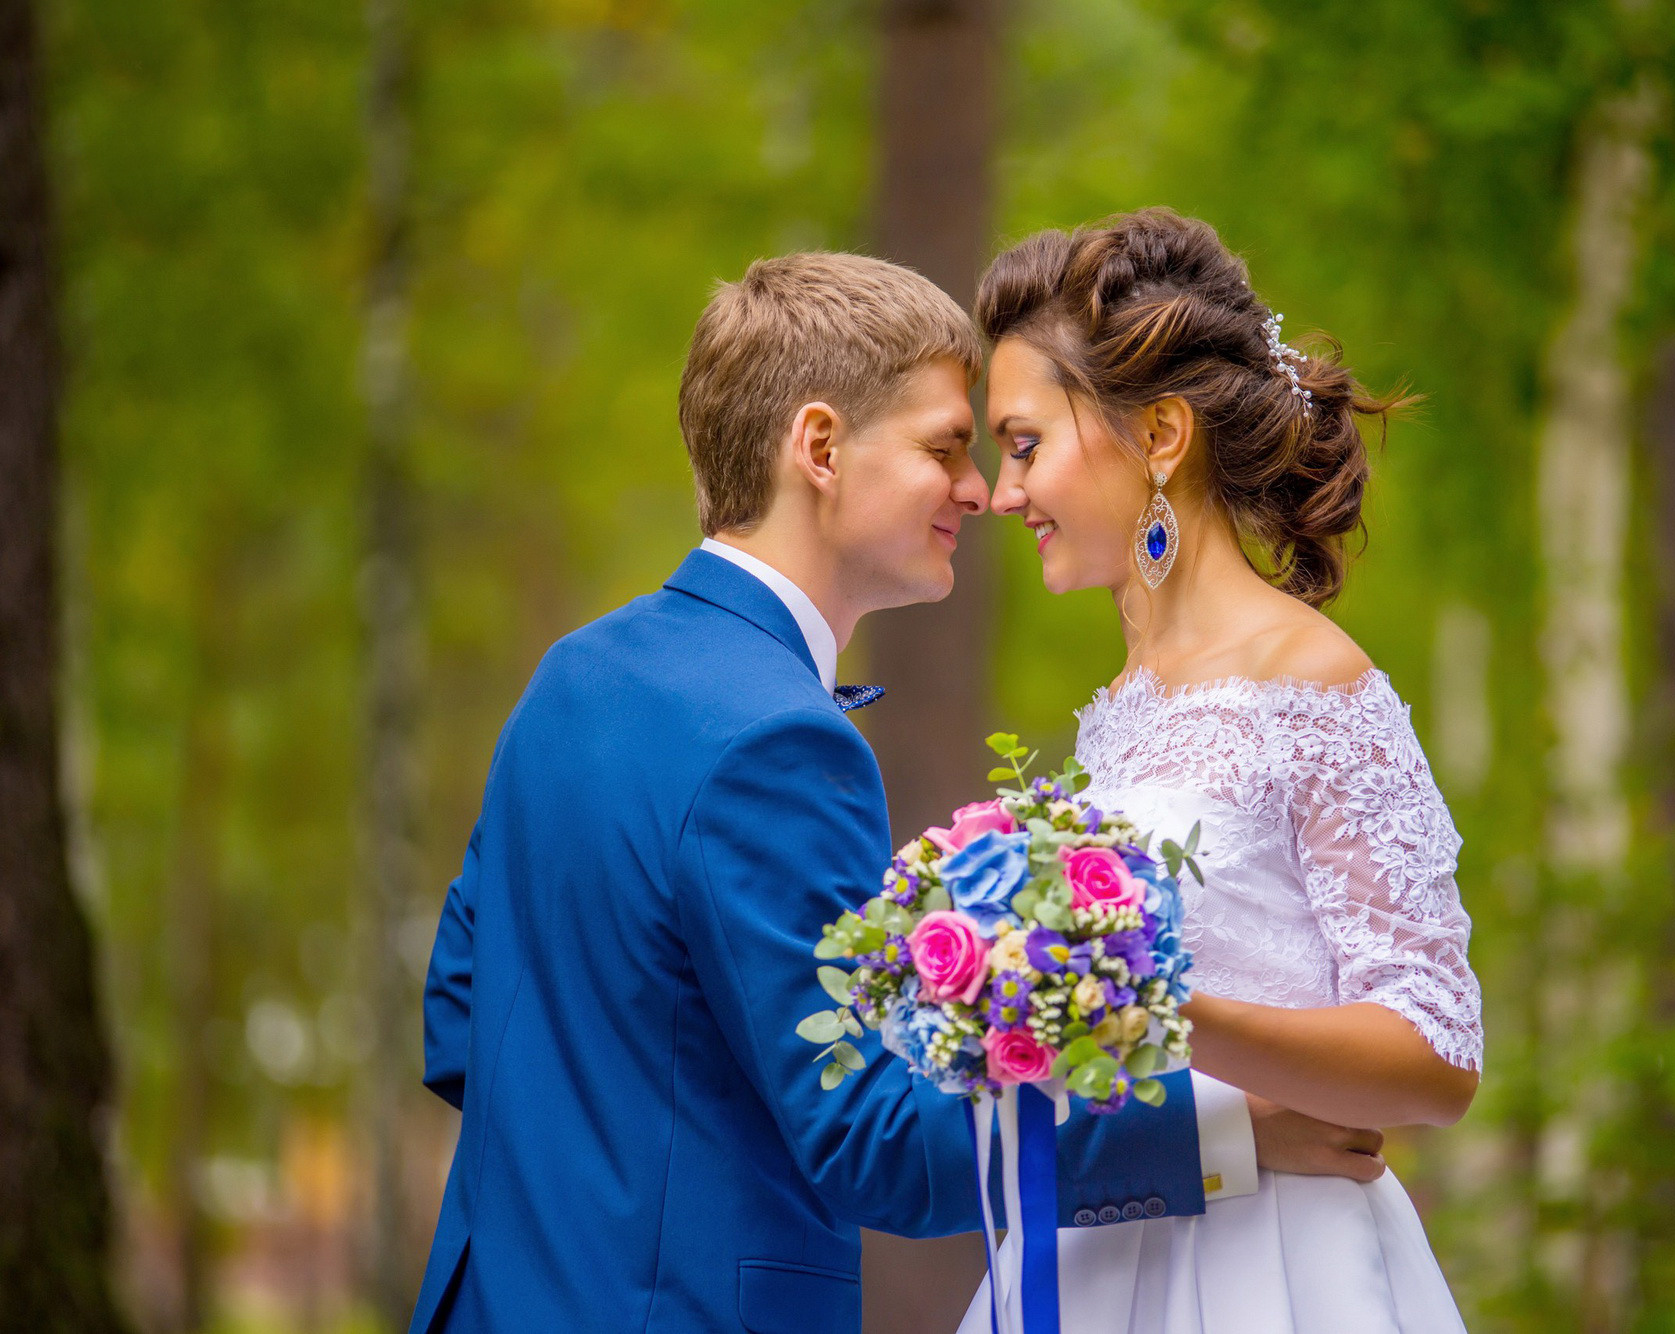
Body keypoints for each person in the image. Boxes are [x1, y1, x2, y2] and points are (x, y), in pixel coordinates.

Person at [408, 250, 1387, 1334]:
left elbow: (461, 1016)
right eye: (945, 447)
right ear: (819, 448)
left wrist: (594, 1192)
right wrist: (1223, 1130)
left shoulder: (571, 676)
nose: (980, 489)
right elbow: (869, 1137)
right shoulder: (778, 740)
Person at [966, 208, 1483, 1332]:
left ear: (1158, 434)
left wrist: (1161, 1010)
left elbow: (1433, 1053)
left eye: (1020, 444)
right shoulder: (1118, 707)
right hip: (1110, 1245)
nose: (1002, 493)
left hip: (1277, 1272)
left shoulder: (1312, 681)